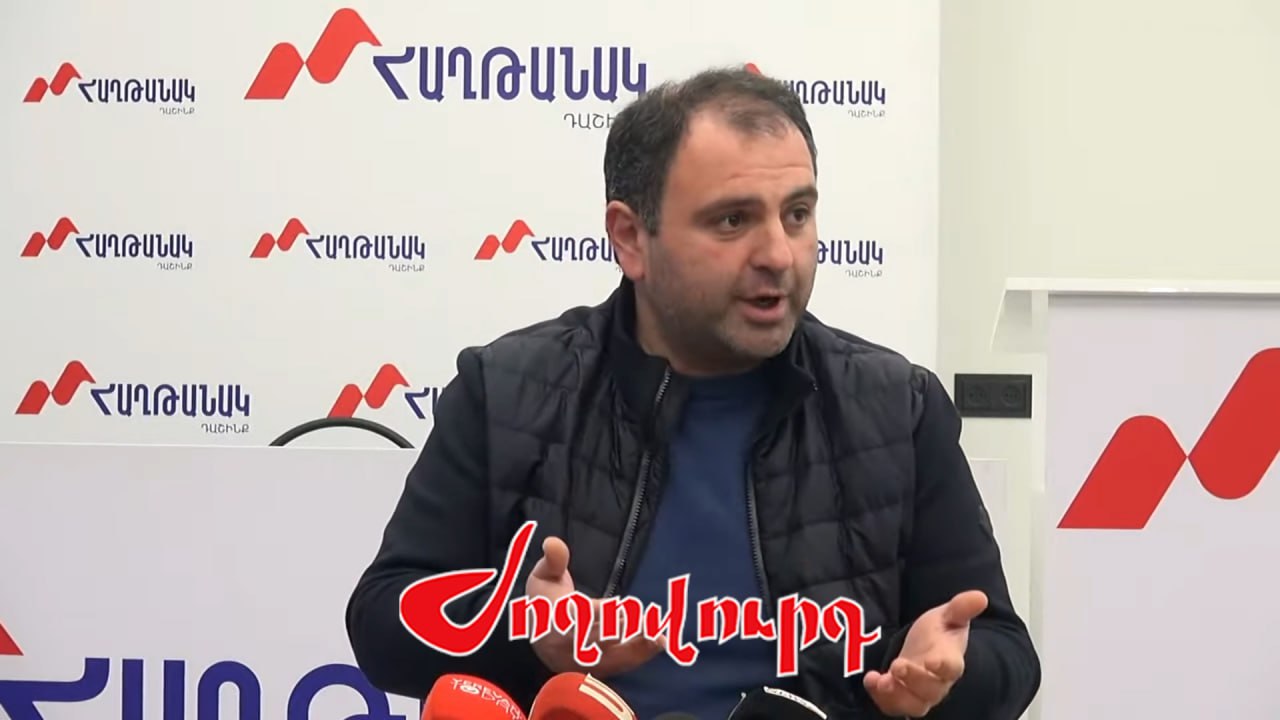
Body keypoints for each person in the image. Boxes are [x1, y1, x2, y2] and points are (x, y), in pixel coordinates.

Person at [345, 66, 1041, 719]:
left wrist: (936, 676)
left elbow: (1006, 654)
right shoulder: (506, 392)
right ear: (630, 238)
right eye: (732, 221)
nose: (778, 254)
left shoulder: (898, 408)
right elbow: (381, 620)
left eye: (797, 214)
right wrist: (525, 628)